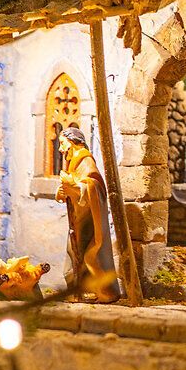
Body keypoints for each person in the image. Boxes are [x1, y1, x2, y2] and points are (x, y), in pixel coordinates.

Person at [56, 126, 122, 303]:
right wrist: (63, 192)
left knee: (90, 255)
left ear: (73, 142)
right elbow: (72, 188)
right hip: (80, 219)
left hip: (90, 220)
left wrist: (75, 189)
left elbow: (95, 186)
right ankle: (77, 291)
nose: (60, 149)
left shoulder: (85, 161)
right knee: (74, 253)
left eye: (62, 144)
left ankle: (106, 292)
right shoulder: (73, 162)